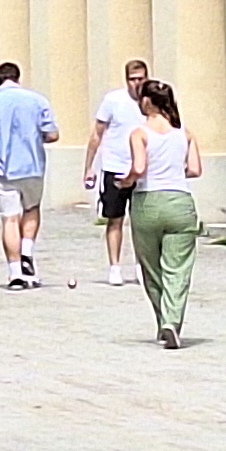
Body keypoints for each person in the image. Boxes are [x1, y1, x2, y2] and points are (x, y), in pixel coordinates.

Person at [127, 78, 207, 349]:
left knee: (151, 268)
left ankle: (163, 320)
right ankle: (173, 321)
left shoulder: (139, 133)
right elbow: (195, 169)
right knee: (178, 269)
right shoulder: (184, 133)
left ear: (147, 102)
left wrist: (125, 181)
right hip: (180, 201)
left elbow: (139, 167)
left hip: (148, 201)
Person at [0, 58, 62, 289]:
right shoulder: (37, 100)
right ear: (18, 78)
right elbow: (52, 134)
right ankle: (27, 253)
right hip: (32, 165)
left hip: (2, 168)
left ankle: (15, 273)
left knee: (9, 219)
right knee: (31, 209)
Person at [87, 57, 154, 286]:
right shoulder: (113, 101)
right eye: (133, 79)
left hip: (143, 168)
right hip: (115, 168)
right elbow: (97, 133)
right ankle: (115, 266)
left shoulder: (153, 101)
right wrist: (89, 167)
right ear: (126, 80)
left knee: (142, 222)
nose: (137, 83)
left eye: (141, 78)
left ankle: (141, 265)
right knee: (114, 219)